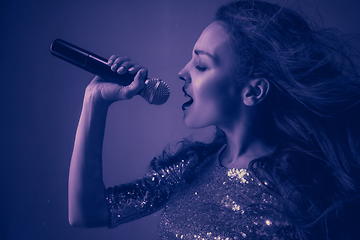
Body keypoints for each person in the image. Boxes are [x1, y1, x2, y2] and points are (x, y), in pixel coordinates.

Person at [68, 0, 360, 239]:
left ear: (253, 91)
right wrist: (95, 101)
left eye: (200, 65)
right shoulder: (193, 168)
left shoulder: (300, 199)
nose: (182, 72)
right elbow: (88, 212)